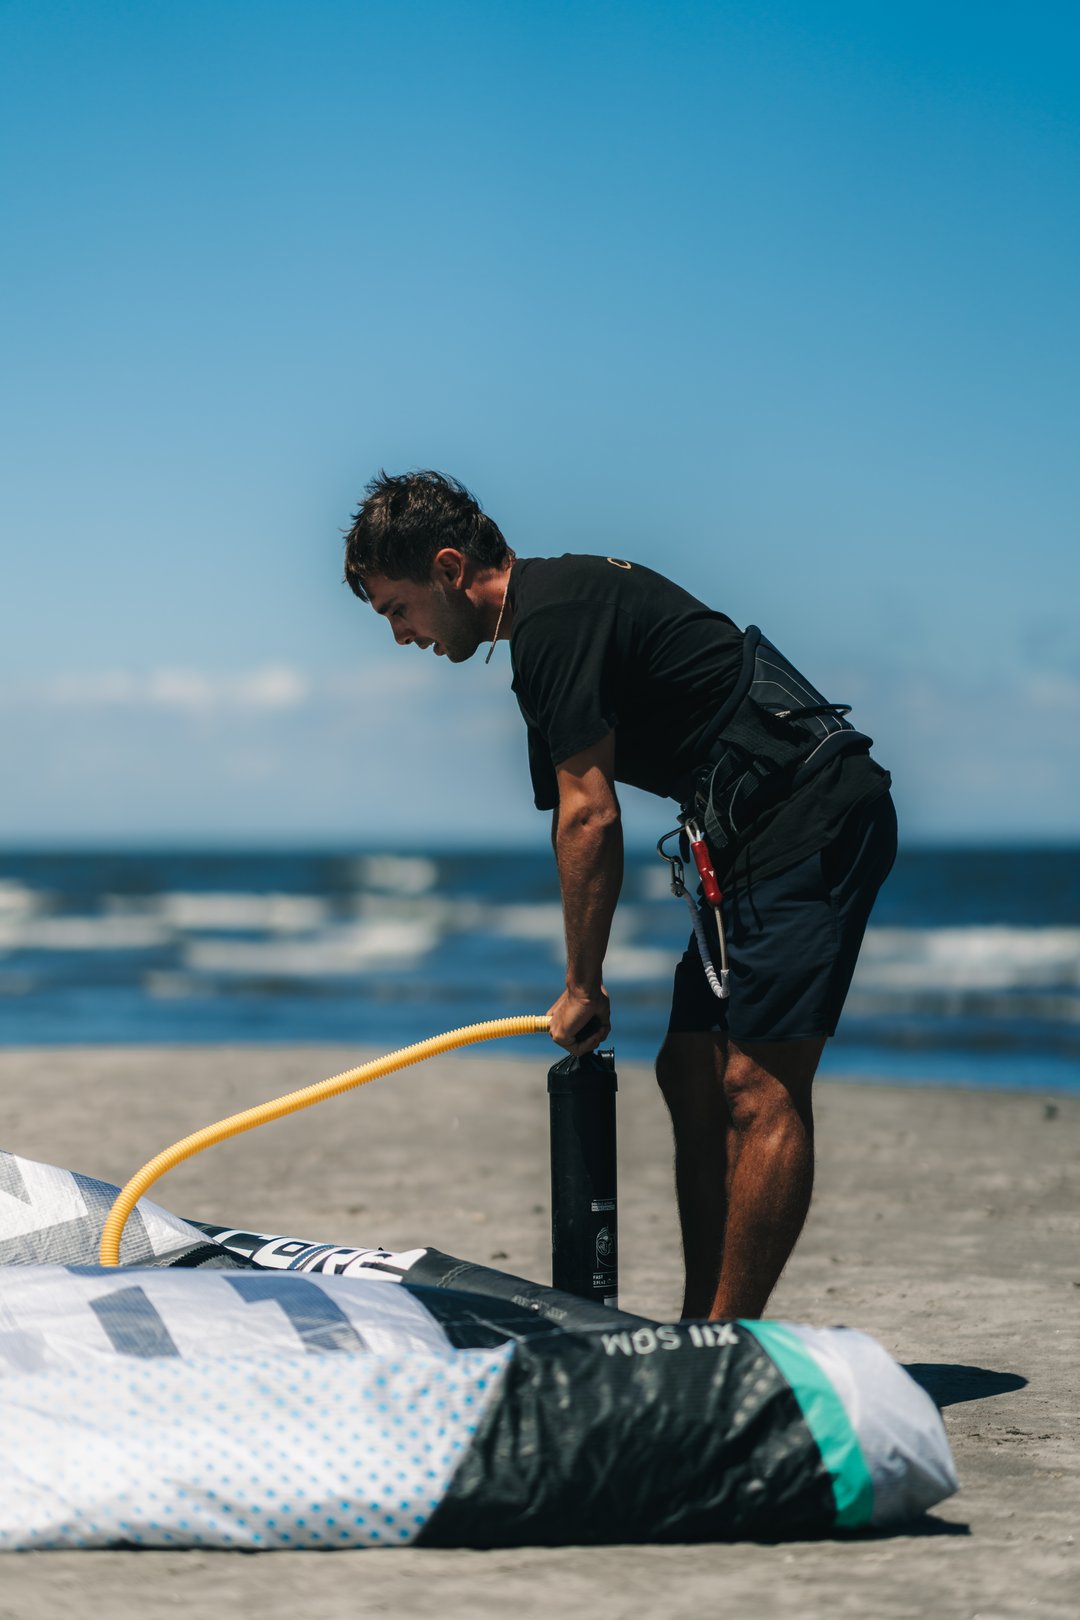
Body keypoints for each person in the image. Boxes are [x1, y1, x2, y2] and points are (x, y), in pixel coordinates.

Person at [343, 469, 896, 1321]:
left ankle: (723, 1346)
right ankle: (698, 1326)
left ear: (449, 569)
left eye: (398, 609)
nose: (400, 635)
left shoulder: (555, 620)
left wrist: (582, 983)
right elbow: (575, 816)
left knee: (759, 1087)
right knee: (689, 1069)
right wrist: (584, 979)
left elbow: (590, 817)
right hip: (743, 839)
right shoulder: (543, 630)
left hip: (811, 817)